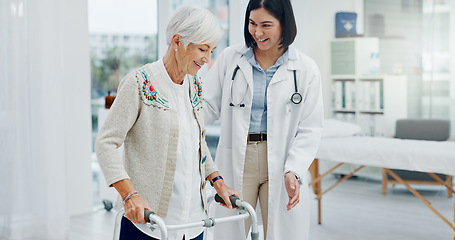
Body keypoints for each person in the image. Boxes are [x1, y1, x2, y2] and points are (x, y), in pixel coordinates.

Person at [95, 5, 239, 240]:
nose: (207, 58)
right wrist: (129, 196)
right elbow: (105, 143)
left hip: (193, 223)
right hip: (147, 221)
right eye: (202, 49)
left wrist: (218, 182)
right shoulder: (139, 83)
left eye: (211, 50)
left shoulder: (196, 86)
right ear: (177, 41)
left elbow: (197, 144)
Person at [202, 0, 323, 239]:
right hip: (238, 154)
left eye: (266, 25)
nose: (257, 32)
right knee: (230, 230)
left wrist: (295, 169)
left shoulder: (306, 69)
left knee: (283, 232)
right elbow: (206, 105)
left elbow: (310, 128)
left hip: (282, 161)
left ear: (284, 24)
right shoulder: (230, 58)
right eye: (252, 23)